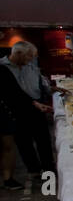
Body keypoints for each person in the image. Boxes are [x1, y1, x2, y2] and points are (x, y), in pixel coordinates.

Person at [0, 42, 53, 183]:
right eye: (28, 56)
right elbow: (12, 93)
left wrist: (48, 91)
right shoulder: (3, 68)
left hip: (36, 105)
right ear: (18, 54)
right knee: (23, 141)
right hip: (16, 110)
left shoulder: (31, 66)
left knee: (43, 140)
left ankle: (49, 170)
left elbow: (41, 83)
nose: (30, 60)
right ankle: (33, 170)